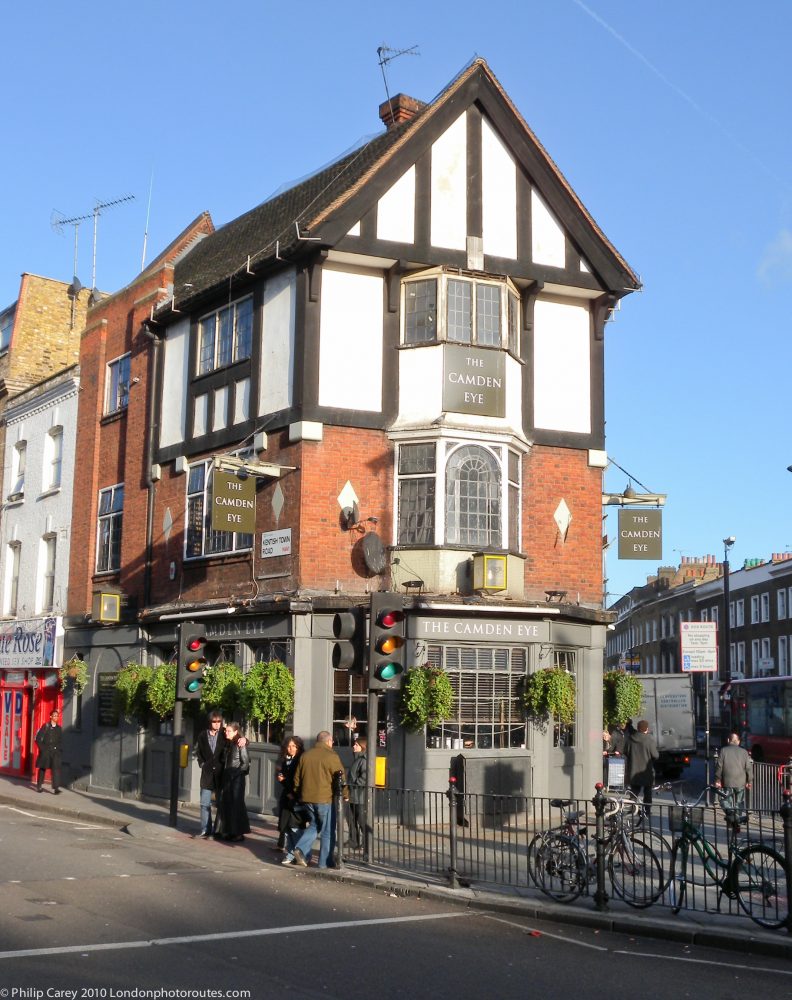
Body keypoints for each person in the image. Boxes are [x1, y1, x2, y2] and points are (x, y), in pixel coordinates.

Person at [286, 730, 347, 869]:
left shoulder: (305, 755)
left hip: (307, 798)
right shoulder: (332, 756)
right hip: (325, 798)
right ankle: (324, 862)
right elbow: (340, 778)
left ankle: (300, 848)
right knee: (327, 830)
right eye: (332, 742)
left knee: (314, 825)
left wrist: (298, 794)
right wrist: (345, 793)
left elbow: (296, 779)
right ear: (329, 741)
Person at [215, 721, 251, 842]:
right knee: (226, 804)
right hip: (227, 778)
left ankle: (238, 833)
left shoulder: (240, 744)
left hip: (236, 780)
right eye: (226, 730)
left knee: (236, 805)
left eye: (229, 731)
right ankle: (228, 830)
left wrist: (235, 774)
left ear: (236, 732)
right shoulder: (228, 743)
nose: (226, 733)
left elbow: (245, 763)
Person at [194, 711, 227, 838]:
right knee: (204, 803)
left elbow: (236, 738)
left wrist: (244, 740)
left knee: (221, 803)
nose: (217, 724)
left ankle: (218, 830)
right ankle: (205, 829)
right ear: (210, 722)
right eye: (214, 721)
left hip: (220, 773)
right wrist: (202, 764)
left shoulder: (224, 734)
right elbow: (198, 752)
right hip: (207, 773)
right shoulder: (202, 735)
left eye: (219, 721)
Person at [275, 734, 304, 852]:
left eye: (293, 746)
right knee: (283, 819)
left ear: (298, 747)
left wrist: (285, 781)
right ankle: (282, 843)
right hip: (286, 793)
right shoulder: (285, 759)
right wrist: (281, 779)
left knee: (294, 823)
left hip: (295, 795)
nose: (290, 748)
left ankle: (295, 849)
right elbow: (281, 773)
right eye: (288, 746)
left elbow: (296, 780)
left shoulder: (300, 760)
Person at [715, 732, 752, 824]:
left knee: (724, 800)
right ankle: (737, 819)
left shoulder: (723, 751)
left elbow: (719, 766)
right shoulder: (744, 752)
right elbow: (748, 768)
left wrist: (717, 780)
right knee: (739, 802)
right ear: (738, 742)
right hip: (740, 781)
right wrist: (749, 780)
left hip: (728, 781)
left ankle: (731, 815)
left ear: (728, 740)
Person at [625, 719, 659, 810]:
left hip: (633, 769)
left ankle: (633, 810)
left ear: (638, 728)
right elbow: (655, 755)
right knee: (647, 793)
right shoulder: (649, 740)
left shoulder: (630, 739)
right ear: (646, 729)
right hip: (646, 771)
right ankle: (646, 811)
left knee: (634, 792)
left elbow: (625, 751)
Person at [346, 736, 367, 850]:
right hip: (353, 794)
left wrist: (352, 784)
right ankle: (353, 841)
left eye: (356, 745)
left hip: (360, 795)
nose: (353, 746)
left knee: (361, 820)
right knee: (351, 818)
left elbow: (364, 777)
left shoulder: (364, 760)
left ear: (362, 746)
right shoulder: (357, 759)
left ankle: (366, 842)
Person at [35, 709, 63, 794]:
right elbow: (38, 739)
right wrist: (42, 749)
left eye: (57, 716)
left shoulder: (59, 728)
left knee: (55, 769)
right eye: (54, 716)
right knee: (43, 768)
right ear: (50, 717)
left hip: (54, 752)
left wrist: (57, 749)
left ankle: (56, 788)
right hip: (45, 751)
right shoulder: (45, 726)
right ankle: (39, 786)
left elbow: (60, 741)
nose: (56, 717)